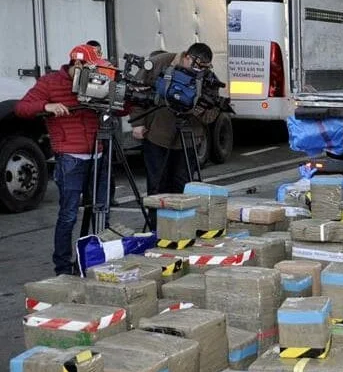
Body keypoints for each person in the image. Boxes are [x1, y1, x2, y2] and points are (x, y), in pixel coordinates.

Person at [14, 44, 108, 275]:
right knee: (68, 215)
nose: (96, 73)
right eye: (91, 68)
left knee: (101, 210)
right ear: (78, 64)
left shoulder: (98, 82)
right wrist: (47, 105)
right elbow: (21, 108)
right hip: (70, 157)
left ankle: (98, 261)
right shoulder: (50, 82)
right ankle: (63, 268)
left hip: (98, 153)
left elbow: (122, 109)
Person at [130, 43, 223, 199]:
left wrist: (197, 108)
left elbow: (211, 114)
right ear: (187, 56)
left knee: (183, 186)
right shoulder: (161, 62)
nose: (199, 71)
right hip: (157, 134)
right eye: (197, 66)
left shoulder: (208, 79)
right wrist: (137, 123)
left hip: (188, 138)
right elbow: (135, 89)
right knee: (157, 186)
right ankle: (157, 215)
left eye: (204, 68)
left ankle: (181, 215)